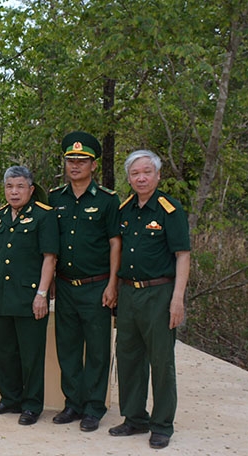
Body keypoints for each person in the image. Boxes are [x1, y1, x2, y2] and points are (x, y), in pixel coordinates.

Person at [108, 150, 190, 449]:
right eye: (135, 173)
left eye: (147, 172)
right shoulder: (126, 208)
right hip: (129, 292)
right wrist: (115, 287)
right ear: (129, 178)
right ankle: (135, 417)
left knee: (161, 360)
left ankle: (162, 424)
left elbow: (182, 255)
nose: (141, 177)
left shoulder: (170, 209)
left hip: (159, 293)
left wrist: (177, 299)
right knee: (128, 357)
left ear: (157, 175)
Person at [48, 131, 121, 432]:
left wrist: (113, 284)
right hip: (65, 285)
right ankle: (72, 404)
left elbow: (116, 243)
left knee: (98, 350)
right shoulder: (54, 198)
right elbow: (49, 243)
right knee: (67, 348)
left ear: (93, 165)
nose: (75, 165)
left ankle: (93, 407)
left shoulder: (107, 200)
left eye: (82, 160)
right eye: (70, 160)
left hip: (97, 286)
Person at [0, 165, 58, 426]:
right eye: (9, 187)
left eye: (20, 187)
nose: (14, 192)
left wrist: (42, 295)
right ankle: (10, 399)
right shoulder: (0, 217)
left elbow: (50, 258)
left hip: (30, 299)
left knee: (31, 356)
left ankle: (32, 405)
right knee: (3, 352)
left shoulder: (44, 216)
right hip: (3, 296)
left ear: (31, 189)